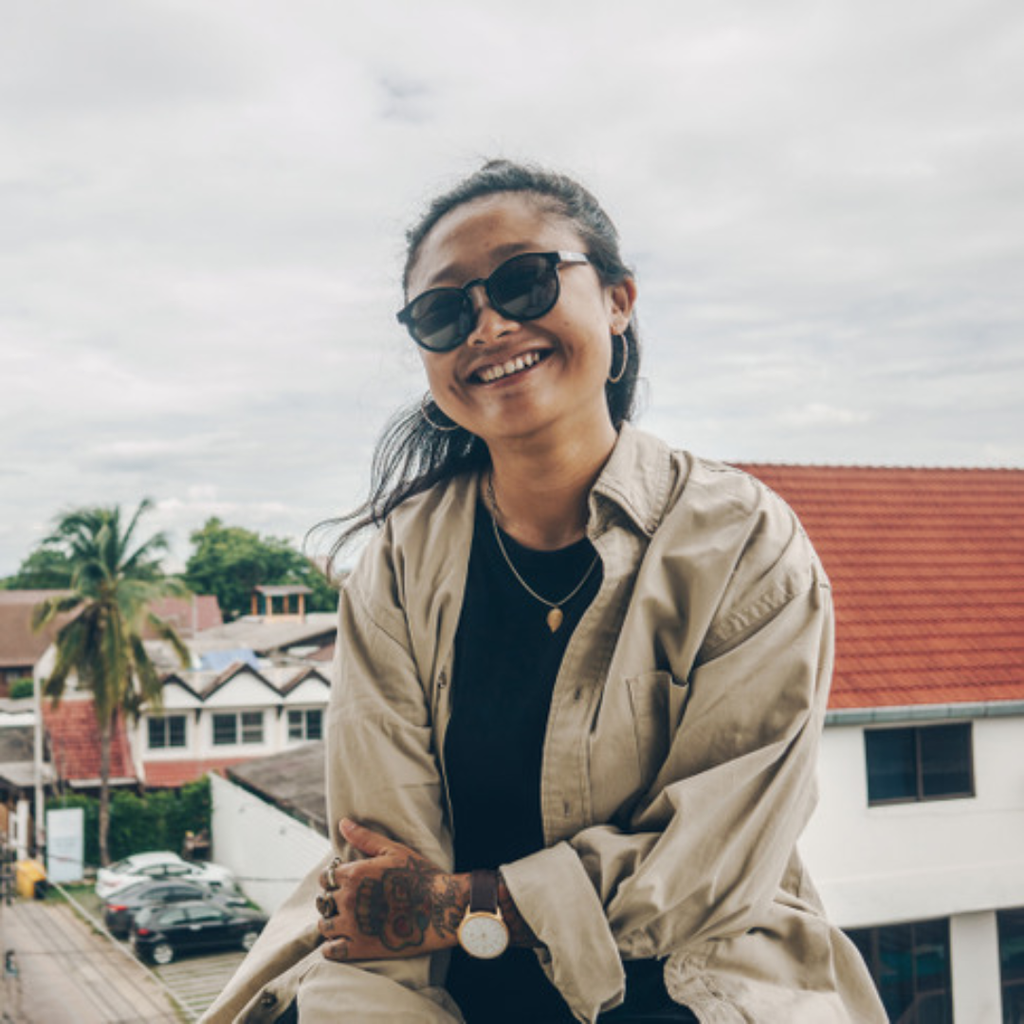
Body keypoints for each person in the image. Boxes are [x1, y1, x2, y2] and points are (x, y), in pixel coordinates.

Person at [201, 160, 886, 1023]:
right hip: (429, 984)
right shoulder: (401, 565)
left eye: (523, 282)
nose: (488, 325)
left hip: (690, 980)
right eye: (444, 311)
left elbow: (707, 869)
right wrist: (437, 916)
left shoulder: (741, 542)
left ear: (618, 300)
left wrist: (468, 905)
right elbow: (386, 881)